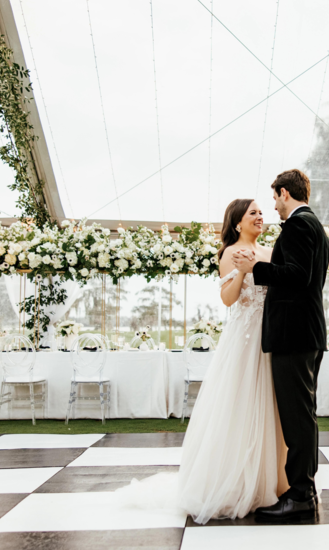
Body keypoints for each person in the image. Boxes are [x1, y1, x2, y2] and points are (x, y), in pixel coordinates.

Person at [117, 198, 288, 524]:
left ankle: (273, 481)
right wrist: (240, 269)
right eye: (253, 213)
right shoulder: (229, 253)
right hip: (245, 340)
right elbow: (227, 299)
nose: (260, 217)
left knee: (271, 410)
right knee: (239, 406)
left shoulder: (271, 251)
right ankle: (235, 481)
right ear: (238, 222)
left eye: (261, 212)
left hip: (271, 339)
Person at [232, 169, 329, 519]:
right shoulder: (313, 225)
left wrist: (257, 265)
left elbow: (297, 276)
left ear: (285, 193)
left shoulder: (300, 225)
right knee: (302, 415)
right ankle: (305, 490)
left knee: (297, 417)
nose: (273, 206)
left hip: (295, 334)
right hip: (304, 333)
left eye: (274, 198)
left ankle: (300, 494)